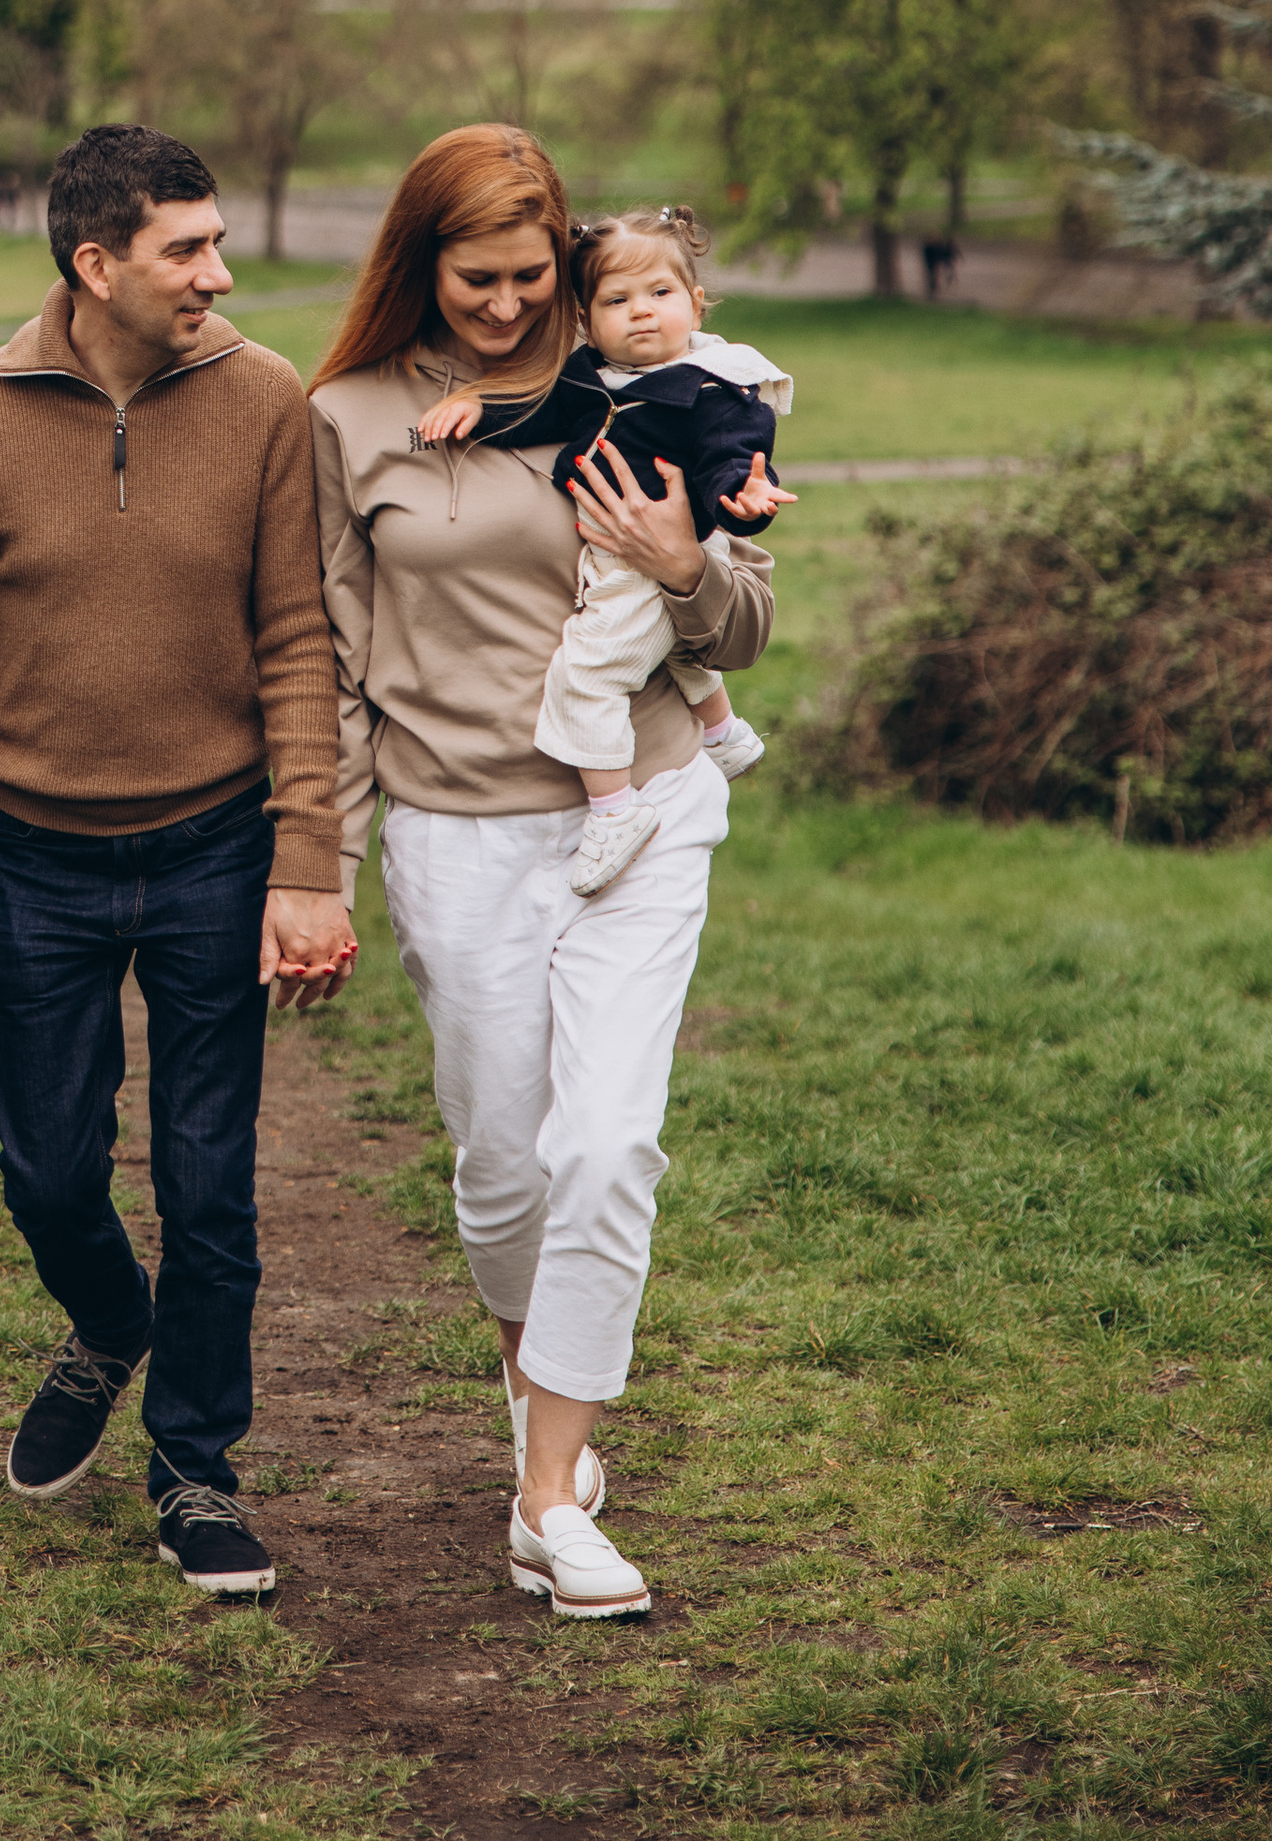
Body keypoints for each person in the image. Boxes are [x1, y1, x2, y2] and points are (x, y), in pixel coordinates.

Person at [312, 124, 775, 1624]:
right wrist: (320, 864)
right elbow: (329, 666)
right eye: (478, 279)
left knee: (609, 1144)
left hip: (645, 805)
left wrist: (688, 564)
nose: (511, 307)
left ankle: (551, 1497)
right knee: (506, 1164)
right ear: (421, 267)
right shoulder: (348, 419)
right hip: (457, 832)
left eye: (533, 276)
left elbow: (745, 622)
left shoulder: (647, 379)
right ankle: (537, 1398)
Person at [0, 121, 357, 1602]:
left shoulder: (265, 398)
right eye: (188, 248)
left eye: (216, 242)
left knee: (210, 1185)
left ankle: (195, 1468)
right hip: (35, 859)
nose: (219, 273)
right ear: (97, 264)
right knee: (45, 1171)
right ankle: (109, 1322)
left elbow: (297, 635)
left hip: (218, 845)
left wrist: (306, 855)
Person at [412, 206, 789, 892]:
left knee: (588, 673)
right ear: (586, 318)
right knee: (670, 651)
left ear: (696, 302)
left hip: (658, 556)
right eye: (618, 300)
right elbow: (539, 413)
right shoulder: (597, 376)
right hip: (617, 555)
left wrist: (745, 495)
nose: (642, 311)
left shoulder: (716, 388)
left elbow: (730, 459)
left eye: (660, 293)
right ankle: (724, 735)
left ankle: (614, 810)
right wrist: (478, 410)